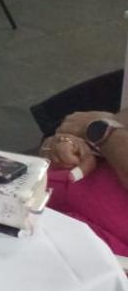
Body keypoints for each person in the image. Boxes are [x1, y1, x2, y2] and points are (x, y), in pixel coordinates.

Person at [41, 109, 128, 256]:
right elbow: (71, 130)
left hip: (100, 250)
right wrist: (64, 145)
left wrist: (101, 131)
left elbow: (90, 125)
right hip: (33, 194)